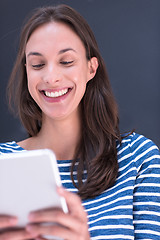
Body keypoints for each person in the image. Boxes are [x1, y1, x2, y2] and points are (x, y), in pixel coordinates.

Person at [0, 4, 160, 240]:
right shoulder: (4, 165)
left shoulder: (139, 158)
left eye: (66, 61)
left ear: (91, 68)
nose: (51, 77)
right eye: (37, 64)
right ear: (27, 72)